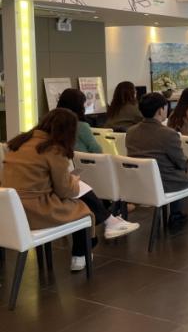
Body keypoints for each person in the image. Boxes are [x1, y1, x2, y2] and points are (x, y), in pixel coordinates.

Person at [3, 109, 139, 271]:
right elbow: (65, 191)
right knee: (83, 209)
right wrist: (73, 181)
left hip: (9, 210)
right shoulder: (53, 150)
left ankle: (109, 223)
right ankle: (80, 255)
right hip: (36, 211)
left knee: (77, 196)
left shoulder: (19, 143)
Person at [126, 93, 188, 229]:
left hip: (142, 182)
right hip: (168, 182)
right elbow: (182, 163)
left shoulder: (131, 132)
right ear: (160, 110)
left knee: (175, 170)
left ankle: (177, 214)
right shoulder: (168, 134)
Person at [56, 88, 102, 153]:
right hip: (84, 159)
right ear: (79, 107)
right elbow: (97, 150)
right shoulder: (81, 127)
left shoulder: (52, 124)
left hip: (60, 157)